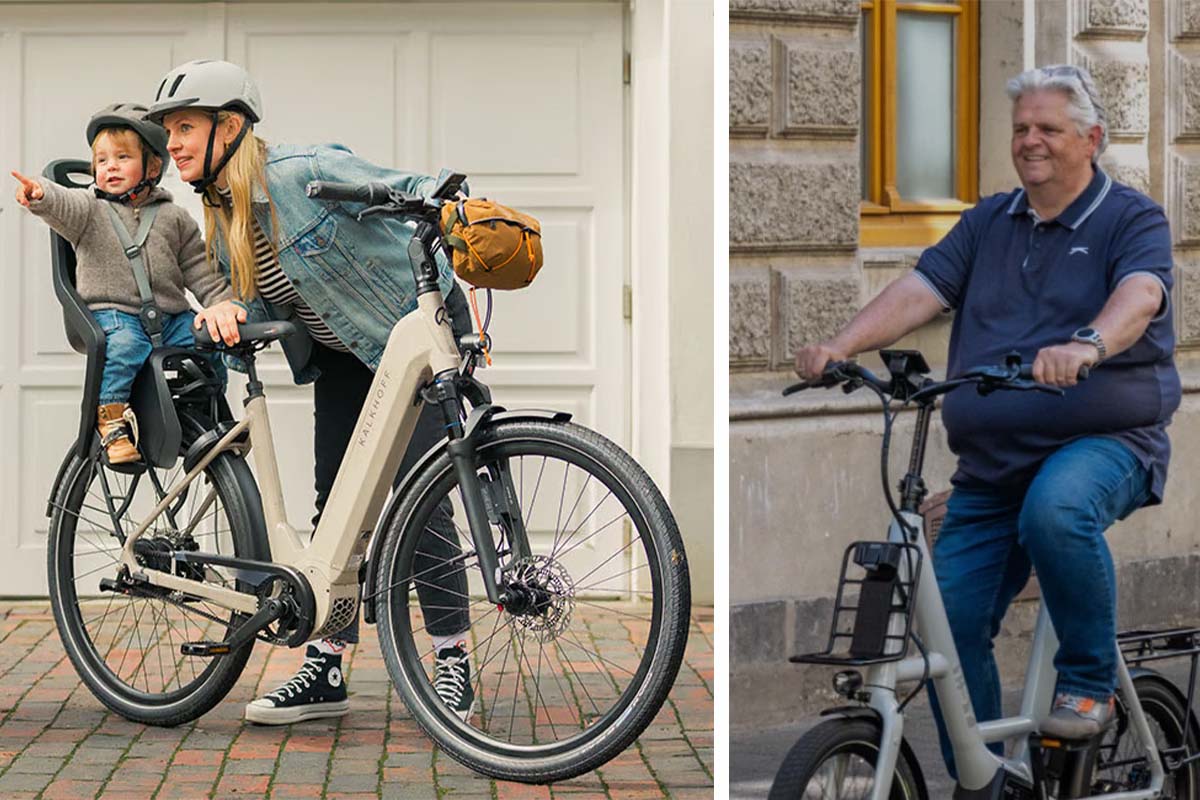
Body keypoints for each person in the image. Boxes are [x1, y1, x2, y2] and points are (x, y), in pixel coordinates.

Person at [795, 64, 1180, 765]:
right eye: (1021, 129)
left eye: (1049, 129)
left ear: (1091, 138)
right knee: (948, 619)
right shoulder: (988, 222)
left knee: (1056, 512)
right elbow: (921, 288)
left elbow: (1141, 296)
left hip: (1105, 442)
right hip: (993, 467)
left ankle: (1089, 685)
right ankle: (988, 777)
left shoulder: (1130, 218)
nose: (1031, 141)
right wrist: (840, 345)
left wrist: (1087, 344)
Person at [144, 60, 475, 725]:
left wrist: (456, 205)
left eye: (184, 128)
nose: (171, 144)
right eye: (168, 132)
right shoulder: (220, 212)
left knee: (423, 504)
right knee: (337, 513)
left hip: (405, 344)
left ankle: (453, 662)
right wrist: (228, 308)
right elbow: (249, 291)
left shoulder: (299, 171)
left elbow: (398, 188)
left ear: (229, 126)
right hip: (344, 361)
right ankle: (326, 668)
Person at [12, 103, 231, 465]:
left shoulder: (173, 217)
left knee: (206, 341)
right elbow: (63, 204)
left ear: (153, 167)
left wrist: (221, 303)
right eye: (101, 160)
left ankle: (210, 414)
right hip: (114, 313)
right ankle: (111, 421)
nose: (109, 166)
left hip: (170, 315)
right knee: (126, 347)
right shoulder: (89, 210)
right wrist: (41, 196)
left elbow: (198, 268)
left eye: (123, 157)